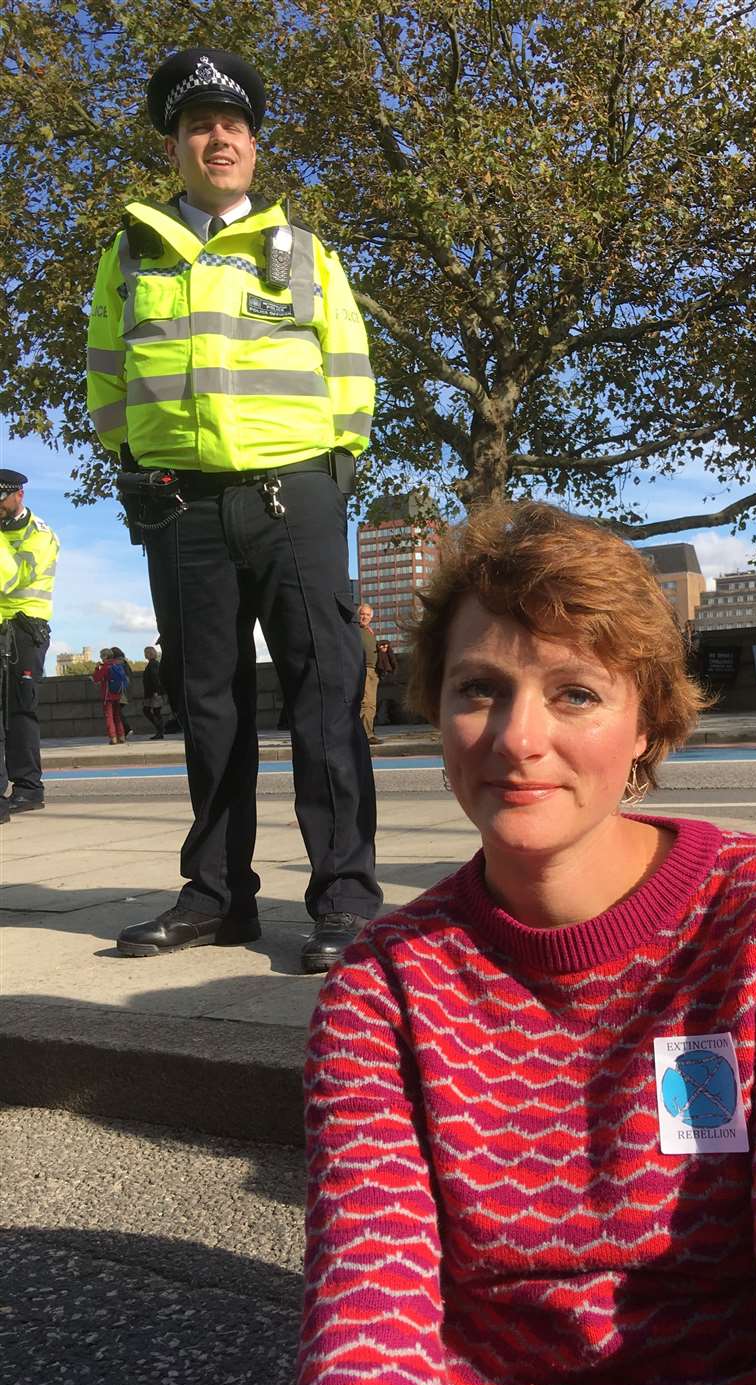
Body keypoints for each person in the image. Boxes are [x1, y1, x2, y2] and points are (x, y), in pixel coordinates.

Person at [297, 501, 756, 1385]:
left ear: (647, 722)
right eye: (478, 689)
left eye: (575, 694)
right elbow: (367, 1311)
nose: (518, 740)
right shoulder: (380, 987)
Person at [86, 48, 381, 972]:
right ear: (174, 147)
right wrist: (129, 461)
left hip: (293, 492)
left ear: (253, 147)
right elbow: (106, 372)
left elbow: (350, 368)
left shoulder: (304, 251)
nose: (218, 138)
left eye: (233, 125)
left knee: (326, 695)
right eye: (198, 125)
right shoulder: (128, 255)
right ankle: (218, 897)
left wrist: (333, 471)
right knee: (207, 707)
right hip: (181, 506)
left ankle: (346, 900)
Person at [0, 468, 58, 816]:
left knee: (21, 709)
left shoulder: (41, 536)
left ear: (18, 495)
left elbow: (11, 578)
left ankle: (28, 788)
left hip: (25, 628)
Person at [357, 602, 381, 744]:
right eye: (362, 614)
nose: (364, 617)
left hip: (373, 671)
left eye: (367, 615)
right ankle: (366, 735)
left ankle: (368, 732)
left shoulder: (369, 632)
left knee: (371, 704)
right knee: (366, 703)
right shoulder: (354, 630)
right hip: (363, 670)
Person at [93, 648, 128, 745]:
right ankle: (121, 736)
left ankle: (113, 737)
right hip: (118, 694)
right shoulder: (117, 665)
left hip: (108, 696)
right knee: (117, 716)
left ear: (105, 656)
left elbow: (96, 678)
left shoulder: (106, 667)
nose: (101, 658)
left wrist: (96, 668)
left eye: (101, 656)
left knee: (109, 717)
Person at [373, 637, 400, 725]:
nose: (384, 647)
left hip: (389, 677)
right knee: (381, 702)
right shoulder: (379, 653)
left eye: (386, 646)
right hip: (382, 677)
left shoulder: (389, 653)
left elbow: (394, 662)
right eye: (382, 646)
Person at [142, 644, 166, 739]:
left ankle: (160, 731)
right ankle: (160, 731)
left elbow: (155, 678)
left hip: (153, 693)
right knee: (155, 712)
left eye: (145, 653)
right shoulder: (154, 663)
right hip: (154, 692)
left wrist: (156, 691)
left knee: (152, 711)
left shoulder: (152, 664)